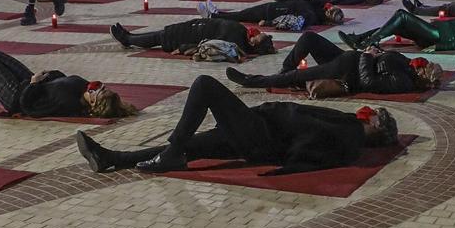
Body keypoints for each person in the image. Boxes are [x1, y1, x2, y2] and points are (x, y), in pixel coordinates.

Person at [74, 77, 399, 176]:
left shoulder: (349, 134)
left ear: (374, 125)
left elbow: (309, 138)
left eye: (372, 115)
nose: (366, 113)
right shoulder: (349, 130)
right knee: (191, 145)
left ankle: (171, 152)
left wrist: (281, 163)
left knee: (204, 86)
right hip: (262, 132)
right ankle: (111, 157)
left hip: (262, 134)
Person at [226, 30, 443, 96]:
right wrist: (375, 52)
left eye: (425, 67)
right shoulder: (407, 65)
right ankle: (284, 73)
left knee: (297, 76)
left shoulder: (403, 81)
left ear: (423, 76)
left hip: (347, 71)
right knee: (309, 38)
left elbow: (368, 82)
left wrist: (368, 56)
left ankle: (251, 81)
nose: (421, 64)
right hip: (349, 57)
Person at [0, 49, 136, 120]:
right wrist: (45, 76)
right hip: (33, 81)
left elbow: (30, 108)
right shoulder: (83, 86)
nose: (99, 87)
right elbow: (61, 77)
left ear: (93, 104)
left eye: (100, 92)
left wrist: (33, 84)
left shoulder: (67, 103)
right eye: (104, 88)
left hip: (16, 95)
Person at [111, 12, 275, 58]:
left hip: (189, 35)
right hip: (194, 27)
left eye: (259, 36)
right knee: (161, 34)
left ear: (254, 43)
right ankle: (130, 36)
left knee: (160, 38)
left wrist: (185, 48)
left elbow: (208, 44)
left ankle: (127, 39)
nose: (258, 32)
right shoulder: (242, 33)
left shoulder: (236, 42)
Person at [343, 7, 455, 52]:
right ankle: (359, 39)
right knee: (397, 24)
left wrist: (438, 47)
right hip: (435, 31)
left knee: (402, 15)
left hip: (436, 36)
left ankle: (368, 43)